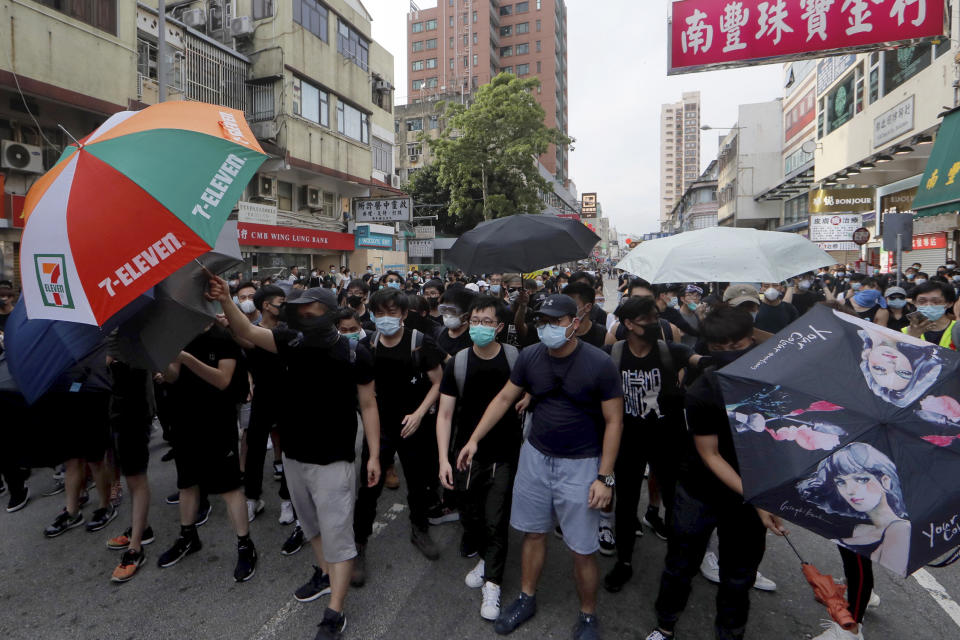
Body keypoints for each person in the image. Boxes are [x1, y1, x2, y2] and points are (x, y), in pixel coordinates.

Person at [211, 281, 381, 639]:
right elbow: (244, 329)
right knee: (312, 525)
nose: (303, 315)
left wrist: (375, 455)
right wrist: (226, 299)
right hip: (293, 455)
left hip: (334, 459)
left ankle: (335, 611)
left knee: (337, 536)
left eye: (311, 310)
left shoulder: (355, 353)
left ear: (330, 312)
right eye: (299, 310)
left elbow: (368, 406)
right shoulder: (290, 342)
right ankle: (323, 574)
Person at [457, 293, 623, 640]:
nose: (546, 329)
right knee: (533, 533)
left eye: (554, 322)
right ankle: (526, 597)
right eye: (541, 322)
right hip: (535, 457)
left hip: (581, 463)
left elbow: (614, 421)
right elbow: (505, 398)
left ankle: (588, 615)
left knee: (582, 548)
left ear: (574, 323)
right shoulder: (531, 356)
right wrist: (473, 438)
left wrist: (604, 477)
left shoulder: (599, 363)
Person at [645, 305, 788, 640]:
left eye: (737, 347)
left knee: (739, 575)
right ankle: (665, 625)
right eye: (718, 349)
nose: (728, 356)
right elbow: (709, 455)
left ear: (752, 341)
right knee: (681, 565)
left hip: (753, 494)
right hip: (701, 489)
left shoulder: (774, 381)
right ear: (707, 348)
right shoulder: (703, 390)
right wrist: (757, 496)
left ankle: (730, 633)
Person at [602, 297, 701, 593]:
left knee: (675, 502)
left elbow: (704, 362)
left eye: (656, 317)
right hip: (628, 443)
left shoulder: (672, 351)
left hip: (669, 442)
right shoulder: (613, 355)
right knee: (626, 503)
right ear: (629, 325)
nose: (655, 323)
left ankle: (677, 562)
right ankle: (624, 562)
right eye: (647, 319)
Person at [437, 296, 522, 621]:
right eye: (475, 320)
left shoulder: (515, 358)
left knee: (495, 517)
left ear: (500, 327)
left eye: (487, 322)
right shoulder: (457, 362)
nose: (479, 327)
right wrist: (444, 459)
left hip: (505, 450)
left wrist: (527, 397)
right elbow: (444, 415)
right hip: (464, 453)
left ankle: (493, 584)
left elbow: (532, 389)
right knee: (469, 513)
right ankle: (487, 556)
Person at [353, 287, 446, 580]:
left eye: (392, 312)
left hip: (413, 424)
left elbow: (439, 383)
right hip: (379, 426)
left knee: (418, 483)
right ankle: (359, 541)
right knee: (370, 484)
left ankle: (419, 529)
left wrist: (419, 414)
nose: (385, 318)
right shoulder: (368, 344)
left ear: (404, 314)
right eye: (379, 313)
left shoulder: (420, 343)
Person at [157, 324, 257, 583]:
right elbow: (172, 375)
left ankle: (245, 545)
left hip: (217, 421)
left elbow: (223, 379)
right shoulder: (177, 332)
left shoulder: (222, 336)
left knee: (229, 487)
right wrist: (161, 367)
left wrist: (187, 358)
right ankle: (188, 536)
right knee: (187, 482)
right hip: (184, 420)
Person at [104, 342, 155, 583]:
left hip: (133, 415)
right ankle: (140, 528)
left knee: (136, 478)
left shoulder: (132, 339)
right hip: (119, 414)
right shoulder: (111, 337)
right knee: (131, 476)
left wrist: (113, 358)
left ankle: (136, 549)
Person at [903, 281, 956, 349]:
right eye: (922, 301)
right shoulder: (904, 332)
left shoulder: (957, 329)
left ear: (949, 304)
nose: (928, 305)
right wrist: (910, 337)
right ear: (914, 303)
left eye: (936, 302)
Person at [563, 282, 608, 348]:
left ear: (588, 307)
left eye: (570, 305)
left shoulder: (603, 335)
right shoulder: (559, 334)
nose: (564, 309)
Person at [436, 286, 476, 358]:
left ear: (466, 315)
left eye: (452, 311)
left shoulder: (474, 339)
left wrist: (444, 357)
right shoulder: (439, 333)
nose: (447, 314)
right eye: (443, 309)